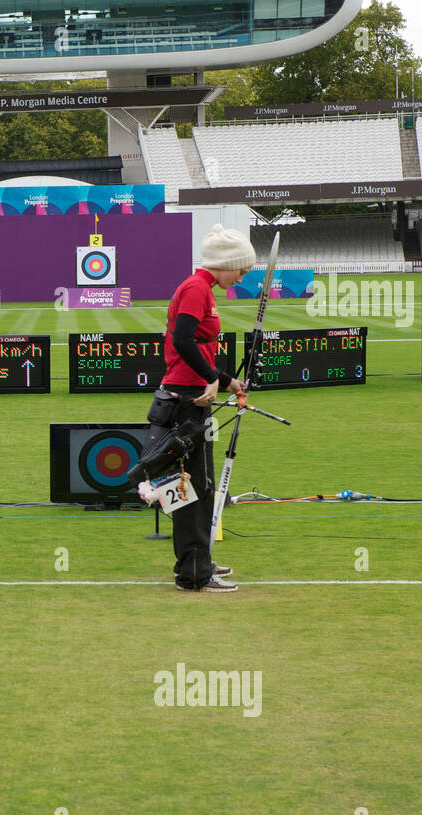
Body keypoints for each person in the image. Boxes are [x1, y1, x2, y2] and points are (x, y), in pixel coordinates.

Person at [144, 224, 255, 593]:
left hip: (195, 397)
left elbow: (198, 349)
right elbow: (182, 341)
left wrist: (226, 381)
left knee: (202, 485)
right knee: (189, 487)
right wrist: (212, 378)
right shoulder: (195, 289)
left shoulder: (203, 290)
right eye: (241, 269)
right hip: (186, 403)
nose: (242, 276)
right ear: (226, 264)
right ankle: (193, 574)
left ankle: (200, 561)